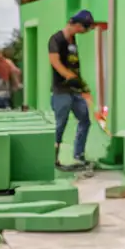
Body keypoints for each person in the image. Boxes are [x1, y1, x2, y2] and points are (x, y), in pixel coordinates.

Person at [48, 11, 95, 168]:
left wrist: (82, 86)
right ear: (76, 24)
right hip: (61, 90)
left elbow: (74, 64)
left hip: (74, 90)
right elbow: (56, 63)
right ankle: (53, 159)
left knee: (85, 120)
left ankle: (78, 154)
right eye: (84, 27)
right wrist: (71, 78)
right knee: (60, 124)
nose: (85, 31)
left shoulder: (73, 41)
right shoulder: (56, 39)